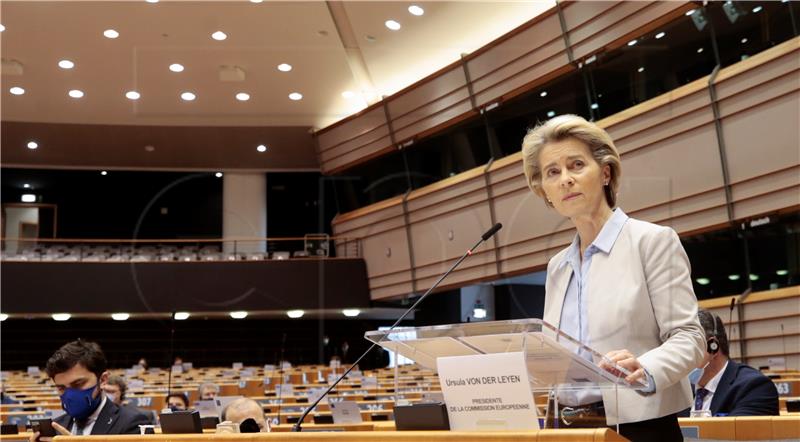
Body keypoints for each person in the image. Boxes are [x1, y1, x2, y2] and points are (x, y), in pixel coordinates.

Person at [521, 115, 705, 441]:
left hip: (640, 428)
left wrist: (645, 367)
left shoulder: (652, 242)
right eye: (553, 172)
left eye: (576, 165)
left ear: (605, 172)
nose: (565, 179)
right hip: (566, 430)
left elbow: (690, 338)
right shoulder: (557, 267)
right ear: (545, 191)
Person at [30, 340, 150, 441]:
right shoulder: (55, 427)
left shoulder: (134, 423)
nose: (70, 395)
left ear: (103, 380)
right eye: (61, 388)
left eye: (78, 384)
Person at [687, 310, 779, 416]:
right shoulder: (679, 392)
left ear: (712, 347)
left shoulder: (755, 387)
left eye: (685, 348)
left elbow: (735, 432)